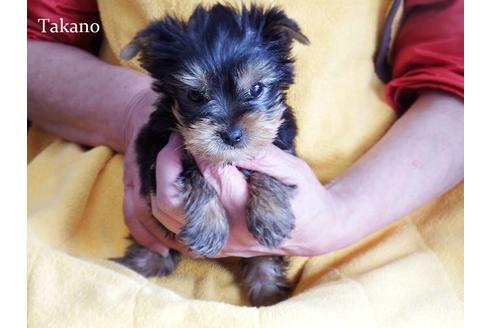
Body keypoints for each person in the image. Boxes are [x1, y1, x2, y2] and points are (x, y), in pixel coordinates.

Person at [27, 0, 463, 260]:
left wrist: (343, 215)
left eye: (255, 91)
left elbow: (468, 75)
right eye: (197, 97)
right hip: (113, 189)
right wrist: (130, 110)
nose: (233, 128)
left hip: (386, 201)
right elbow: (31, 36)